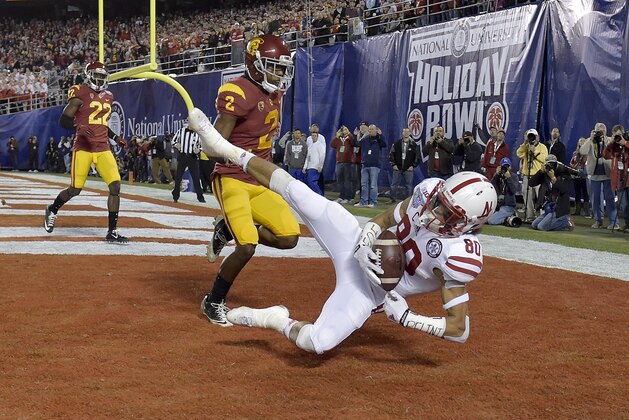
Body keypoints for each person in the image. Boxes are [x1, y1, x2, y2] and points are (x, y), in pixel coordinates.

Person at [189, 106, 497, 354]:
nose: (433, 210)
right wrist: (367, 238)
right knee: (299, 193)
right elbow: (385, 219)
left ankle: (273, 319)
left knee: (316, 343)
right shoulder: (428, 193)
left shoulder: (457, 254)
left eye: (446, 211)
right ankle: (223, 146)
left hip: (372, 288)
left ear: (467, 224)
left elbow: (459, 329)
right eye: (439, 201)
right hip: (355, 243)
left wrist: (409, 319)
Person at [201, 35, 300, 326]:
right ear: (255, 65)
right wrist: (213, 141)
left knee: (289, 237)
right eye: (275, 67)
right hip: (231, 178)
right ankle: (214, 301)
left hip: (259, 179)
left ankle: (226, 229)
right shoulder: (238, 92)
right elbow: (213, 147)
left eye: (283, 69)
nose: (281, 75)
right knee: (247, 246)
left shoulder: (273, 93)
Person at [44, 61, 129, 244]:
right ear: (89, 75)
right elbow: (64, 120)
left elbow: (101, 124)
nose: (100, 80)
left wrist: (115, 137)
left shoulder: (108, 96)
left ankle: (112, 231)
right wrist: (79, 126)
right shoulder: (79, 92)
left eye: (102, 77)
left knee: (115, 187)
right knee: (75, 189)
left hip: (102, 147)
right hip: (83, 147)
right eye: (97, 76)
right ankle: (52, 209)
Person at [580, 123, 617, 229]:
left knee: (609, 198)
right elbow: (582, 151)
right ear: (594, 131)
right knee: (595, 200)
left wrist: (605, 140)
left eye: (602, 130)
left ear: (606, 131)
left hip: (607, 174)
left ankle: (614, 222)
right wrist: (590, 139)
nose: (600, 133)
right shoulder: (591, 141)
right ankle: (598, 221)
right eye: (598, 131)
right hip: (594, 174)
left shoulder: (610, 140)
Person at [529, 154, 573, 231]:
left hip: (559, 210)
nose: (550, 166)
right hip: (548, 209)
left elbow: (564, 190)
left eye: (552, 164)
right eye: (548, 164)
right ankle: (556, 222)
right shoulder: (544, 175)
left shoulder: (564, 175)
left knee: (541, 227)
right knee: (534, 224)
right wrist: (540, 172)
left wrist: (553, 178)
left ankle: (566, 222)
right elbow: (531, 183)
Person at [516, 128, 548, 222]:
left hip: (538, 176)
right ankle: (530, 216)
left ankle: (543, 216)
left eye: (533, 136)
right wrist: (525, 143)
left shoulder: (542, 147)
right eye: (530, 136)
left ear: (537, 137)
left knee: (540, 196)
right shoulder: (526, 146)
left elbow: (545, 159)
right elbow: (519, 153)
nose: (532, 138)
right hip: (527, 175)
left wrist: (535, 152)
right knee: (527, 196)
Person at [603, 125, 629, 232]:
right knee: (623, 204)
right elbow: (605, 154)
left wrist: (625, 143)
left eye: (619, 134)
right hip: (619, 178)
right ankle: (627, 224)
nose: (618, 136)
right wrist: (612, 142)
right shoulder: (614, 146)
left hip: (628, 177)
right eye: (615, 134)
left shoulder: (626, 142)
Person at [171, 125, 205, 203]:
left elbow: (202, 145)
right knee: (178, 177)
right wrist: (176, 145)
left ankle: (200, 197)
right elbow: (173, 141)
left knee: (196, 178)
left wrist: (198, 149)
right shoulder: (181, 131)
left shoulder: (198, 133)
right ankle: (175, 196)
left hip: (192, 157)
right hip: (182, 156)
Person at [355, 124, 386, 207]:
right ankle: (363, 202)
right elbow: (357, 144)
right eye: (369, 129)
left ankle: (373, 202)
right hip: (365, 164)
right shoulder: (365, 139)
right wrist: (358, 135)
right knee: (364, 185)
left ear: (376, 130)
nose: (370, 131)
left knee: (373, 185)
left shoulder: (379, 139)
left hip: (375, 165)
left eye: (372, 129)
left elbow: (384, 144)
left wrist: (380, 135)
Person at [388, 127, 417, 203]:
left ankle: (408, 201)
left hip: (408, 169)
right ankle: (392, 199)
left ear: (410, 133)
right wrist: (393, 164)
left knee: (409, 186)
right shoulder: (396, 143)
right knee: (394, 185)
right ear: (402, 133)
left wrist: (413, 166)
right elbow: (391, 154)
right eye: (404, 132)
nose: (406, 133)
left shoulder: (413, 144)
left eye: (407, 132)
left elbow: (417, 157)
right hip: (398, 167)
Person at [487, 157, 518, 225]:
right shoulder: (498, 176)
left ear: (510, 167)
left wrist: (508, 178)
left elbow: (513, 190)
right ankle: (507, 217)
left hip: (508, 206)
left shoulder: (514, 176)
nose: (505, 169)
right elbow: (491, 187)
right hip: (497, 205)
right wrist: (496, 175)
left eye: (507, 166)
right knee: (484, 220)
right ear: (500, 167)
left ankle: (509, 218)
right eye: (504, 167)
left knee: (491, 221)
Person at [330, 125, 355, 204]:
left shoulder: (349, 138)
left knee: (347, 180)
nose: (343, 131)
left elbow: (354, 143)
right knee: (340, 180)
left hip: (348, 162)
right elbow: (332, 145)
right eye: (342, 130)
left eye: (345, 130)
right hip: (339, 162)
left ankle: (348, 197)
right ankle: (342, 196)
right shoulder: (339, 139)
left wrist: (349, 134)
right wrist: (336, 136)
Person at [303, 123, 326, 195]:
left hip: (316, 166)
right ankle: (315, 195)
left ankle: (320, 195)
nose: (313, 137)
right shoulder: (309, 142)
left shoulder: (320, 142)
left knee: (312, 181)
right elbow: (307, 155)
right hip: (309, 166)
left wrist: (320, 166)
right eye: (313, 135)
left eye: (315, 136)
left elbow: (322, 155)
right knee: (309, 181)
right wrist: (305, 167)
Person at [570, 137, 589, 217]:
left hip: (584, 176)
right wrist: (574, 165)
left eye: (583, 141)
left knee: (585, 193)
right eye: (580, 141)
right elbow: (571, 163)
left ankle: (586, 211)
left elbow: (587, 163)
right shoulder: (575, 153)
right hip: (576, 175)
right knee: (577, 193)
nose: (582, 142)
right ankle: (577, 211)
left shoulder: (587, 153)